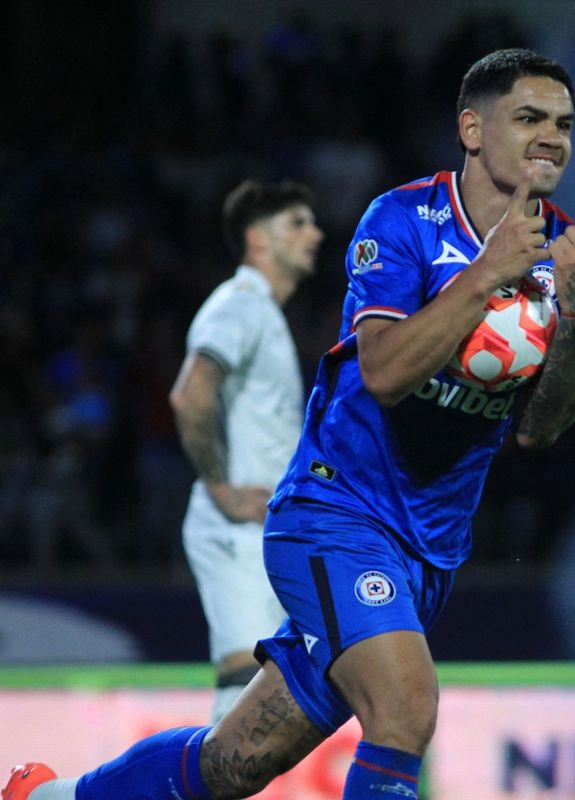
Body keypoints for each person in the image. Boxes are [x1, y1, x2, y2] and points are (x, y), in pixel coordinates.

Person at [4, 47, 575, 800]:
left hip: (429, 549)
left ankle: (46, 797)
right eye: (528, 118)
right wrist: (487, 275)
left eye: (563, 123)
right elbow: (386, 374)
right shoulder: (404, 222)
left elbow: (542, 428)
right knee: (406, 707)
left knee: (236, 762)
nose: (551, 136)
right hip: (335, 514)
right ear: (472, 128)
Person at [169, 179, 324, 723]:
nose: (315, 233)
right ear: (258, 239)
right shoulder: (240, 305)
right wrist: (221, 489)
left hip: (270, 531)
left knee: (275, 698)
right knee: (241, 692)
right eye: (297, 223)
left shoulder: (265, 314)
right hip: (237, 529)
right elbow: (191, 394)